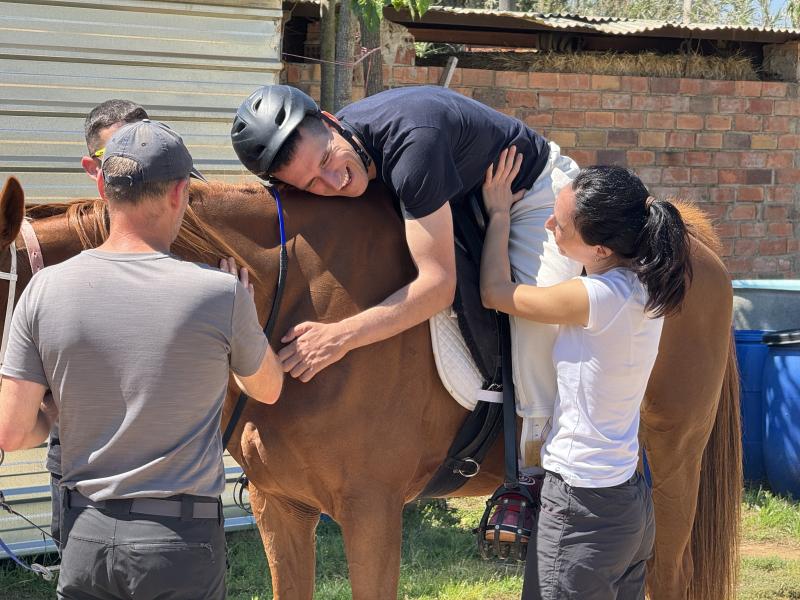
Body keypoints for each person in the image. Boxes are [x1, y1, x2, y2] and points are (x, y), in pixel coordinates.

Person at [230, 84, 582, 481]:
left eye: (327, 158)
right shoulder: (349, 150)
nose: (334, 181)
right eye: (312, 183)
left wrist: (340, 337)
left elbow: (437, 285)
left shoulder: (413, 147)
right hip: (464, 198)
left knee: (536, 323)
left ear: (331, 121)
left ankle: (540, 476)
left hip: (527, 193)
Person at [0, 119, 283, 599]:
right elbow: (268, 389)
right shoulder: (220, 295)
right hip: (179, 543)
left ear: (105, 190)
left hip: (84, 534)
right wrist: (244, 320)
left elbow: (10, 431)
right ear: (178, 194)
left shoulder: (45, 289)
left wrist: (51, 414)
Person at [480, 157, 692, 600]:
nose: (548, 226)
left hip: (582, 508)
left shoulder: (593, 297)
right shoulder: (646, 286)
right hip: (629, 506)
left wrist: (499, 213)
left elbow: (495, 293)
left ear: (599, 250)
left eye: (560, 225)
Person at [43, 99, 151, 557]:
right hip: (79, 466)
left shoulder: (196, 245)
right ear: (94, 168)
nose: (134, 170)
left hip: (163, 471)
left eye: (144, 153)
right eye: (117, 159)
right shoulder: (64, 250)